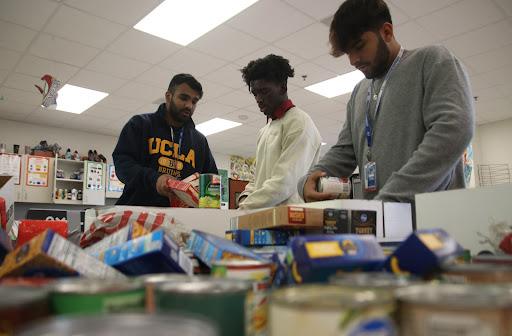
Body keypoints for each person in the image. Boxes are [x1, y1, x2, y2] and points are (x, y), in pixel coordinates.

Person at [298, 0, 474, 204]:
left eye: (359, 46)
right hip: (381, 222)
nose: (353, 60)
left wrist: (390, 199)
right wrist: (309, 180)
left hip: (435, 222)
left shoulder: (432, 61)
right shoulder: (359, 92)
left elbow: (453, 132)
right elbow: (345, 151)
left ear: (387, 32)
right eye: (348, 52)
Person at [113, 73, 218, 207]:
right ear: (168, 96)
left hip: (183, 219)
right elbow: (123, 165)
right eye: (184, 98)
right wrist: (155, 179)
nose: (189, 105)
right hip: (140, 214)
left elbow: (212, 179)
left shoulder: (199, 141)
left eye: (194, 101)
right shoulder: (140, 124)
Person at [237, 54, 322, 210]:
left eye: (263, 91)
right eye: (255, 94)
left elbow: (285, 183)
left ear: (283, 87)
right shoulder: (265, 131)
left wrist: (245, 208)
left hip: (291, 221)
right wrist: (244, 197)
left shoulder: (299, 122)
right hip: (264, 218)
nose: (258, 99)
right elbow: (257, 178)